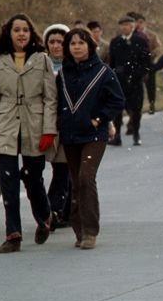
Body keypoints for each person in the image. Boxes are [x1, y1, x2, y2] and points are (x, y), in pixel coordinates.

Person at [0, 13, 58, 253]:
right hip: (5, 124)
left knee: (34, 179)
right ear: (9, 33)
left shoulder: (42, 60)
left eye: (25, 30)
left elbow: (50, 98)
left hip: (34, 125)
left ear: (31, 33)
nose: (21, 34)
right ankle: (13, 234)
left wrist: (49, 130)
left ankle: (45, 216)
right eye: (16, 30)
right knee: (8, 182)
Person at [56, 27, 125, 249]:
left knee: (86, 177)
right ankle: (79, 230)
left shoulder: (103, 72)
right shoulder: (63, 75)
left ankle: (90, 230)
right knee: (75, 182)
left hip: (94, 135)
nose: (76, 47)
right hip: (69, 135)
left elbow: (117, 100)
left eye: (81, 43)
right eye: (72, 43)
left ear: (90, 45)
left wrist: (99, 119)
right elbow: (56, 102)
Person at [42, 23, 72, 230]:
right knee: (59, 167)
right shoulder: (40, 66)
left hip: (69, 124)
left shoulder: (75, 66)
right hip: (47, 123)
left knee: (64, 168)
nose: (55, 46)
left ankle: (55, 208)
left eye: (60, 42)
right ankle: (58, 209)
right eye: (51, 42)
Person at [107, 15, 152, 146]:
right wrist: (114, 74)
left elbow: (146, 62)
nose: (124, 27)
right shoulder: (115, 42)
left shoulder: (140, 41)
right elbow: (112, 62)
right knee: (117, 109)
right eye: (122, 25)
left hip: (135, 81)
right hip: (119, 82)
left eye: (127, 24)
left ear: (132, 26)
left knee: (136, 109)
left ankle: (136, 133)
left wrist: (138, 73)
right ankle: (117, 136)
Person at [130, 13, 163, 114]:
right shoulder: (132, 35)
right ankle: (135, 106)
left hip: (149, 64)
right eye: (137, 22)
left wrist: (150, 54)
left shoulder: (151, 35)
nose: (139, 25)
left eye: (140, 22)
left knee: (150, 86)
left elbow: (159, 48)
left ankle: (151, 103)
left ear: (145, 23)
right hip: (136, 64)